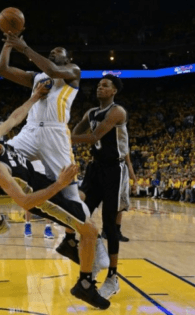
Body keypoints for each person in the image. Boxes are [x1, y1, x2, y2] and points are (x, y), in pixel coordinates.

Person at [0, 83, 110, 310]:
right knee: (91, 231)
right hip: (42, 199)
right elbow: (25, 202)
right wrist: (59, 183)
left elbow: (14, 118)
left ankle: (69, 241)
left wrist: (34, 98)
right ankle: (85, 284)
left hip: (42, 182)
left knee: (81, 196)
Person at [0, 31, 83, 244]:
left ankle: (75, 238)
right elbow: (1, 69)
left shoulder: (73, 70)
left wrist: (23, 47)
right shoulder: (37, 77)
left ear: (67, 59)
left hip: (55, 133)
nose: (52, 54)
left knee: (69, 193)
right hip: (30, 131)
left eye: (57, 52)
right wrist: (8, 44)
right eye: (50, 52)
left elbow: (52, 69)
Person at [70, 74, 137, 299]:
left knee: (111, 225)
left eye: (105, 85)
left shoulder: (118, 112)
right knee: (80, 212)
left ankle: (113, 277)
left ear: (114, 91)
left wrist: (66, 139)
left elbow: (92, 136)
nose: (100, 87)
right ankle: (98, 253)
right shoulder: (90, 113)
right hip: (95, 168)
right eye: (99, 84)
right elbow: (75, 131)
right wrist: (65, 135)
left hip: (114, 171)